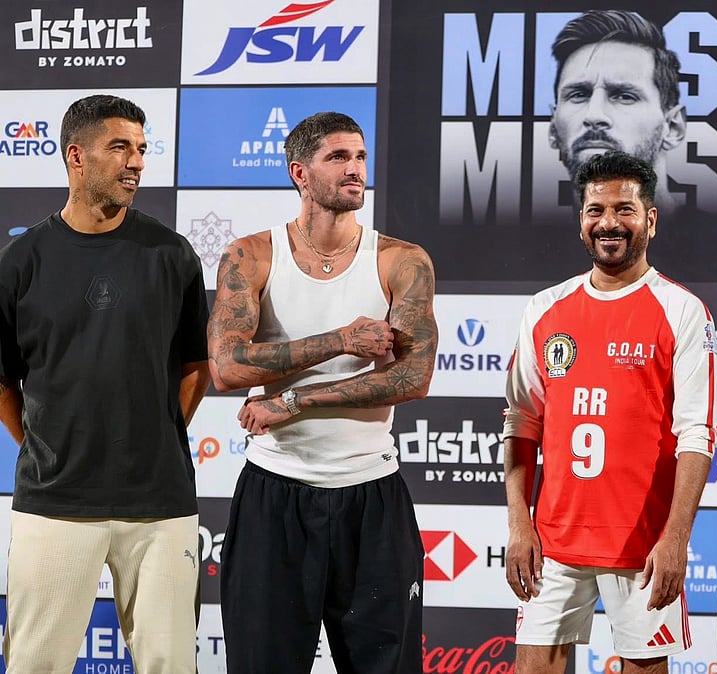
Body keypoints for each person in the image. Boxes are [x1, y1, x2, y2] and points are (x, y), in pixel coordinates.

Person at [208, 111, 437, 672]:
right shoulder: (252, 255)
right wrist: (340, 339)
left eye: (360, 157)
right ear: (299, 173)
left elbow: (412, 377)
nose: (355, 169)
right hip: (275, 496)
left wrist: (293, 401)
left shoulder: (401, 261)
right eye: (338, 157)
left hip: (371, 497)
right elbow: (227, 367)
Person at [0, 94, 210, 672]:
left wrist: (156, 433)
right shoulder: (21, 261)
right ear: (76, 156)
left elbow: (196, 366)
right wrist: (49, 444)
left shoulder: (173, 254)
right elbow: (1, 380)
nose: (137, 162)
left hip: (160, 502)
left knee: (170, 663)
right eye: (120, 147)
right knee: (35, 663)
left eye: (141, 149)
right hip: (55, 501)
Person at [503, 150, 717, 674]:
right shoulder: (545, 308)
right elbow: (520, 422)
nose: (609, 222)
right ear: (581, 221)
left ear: (650, 219)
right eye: (595, 210)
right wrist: (519, 524)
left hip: (643, 544)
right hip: (553, 541)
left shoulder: (682, 311)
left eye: (624, 210)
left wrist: (675, 540)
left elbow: (697, 435)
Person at [549, 10, 686, 213]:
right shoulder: (520, 241)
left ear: (673, 128)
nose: (593, 115)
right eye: (578, 94)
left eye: (624, 96)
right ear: (553, 129)